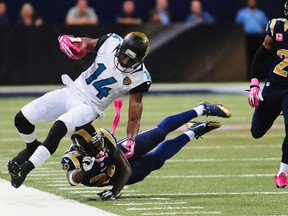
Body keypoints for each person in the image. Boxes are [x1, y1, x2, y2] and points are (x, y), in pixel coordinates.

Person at [7, 31, 151, 189]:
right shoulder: (111, 42)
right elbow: (86, 43)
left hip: (91, 106)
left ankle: (25, 169)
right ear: (120, 47)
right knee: (22, 118)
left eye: (130, 59)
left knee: (58, 129)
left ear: (139, 60)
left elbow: (134, 114)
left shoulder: (140, 77)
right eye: (123, 54)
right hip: (72, 90)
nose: (123, 60)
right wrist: (72, 41)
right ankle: (32, 147)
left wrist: (131, 139)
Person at [61, 102, 231, 200]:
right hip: (120, 177)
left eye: (99, 142)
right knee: (157, 159)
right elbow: (72, 180)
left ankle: (201, 109)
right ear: (82, 148)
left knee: (158, 133)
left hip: (123, 159)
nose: (99, 146)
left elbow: (125, 166)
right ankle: (193, 131)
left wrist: (114, 193)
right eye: (94, 145)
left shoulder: (104, 138)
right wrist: (83, 169)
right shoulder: (72, 159)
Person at [247, 1, 288, 188]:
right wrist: (255, 84)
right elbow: (260, 56)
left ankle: (282, 173)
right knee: (257, 132)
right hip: (273, 86)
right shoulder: (277, 27)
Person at [235, 0, 268, 79]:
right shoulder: (242, 13)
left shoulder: (260, 13)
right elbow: (237, 26)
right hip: (246, 38)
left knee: (259, 56)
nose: (252, 2)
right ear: (247, 2)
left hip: (258, 38)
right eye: (250, 1)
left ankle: (260, 76)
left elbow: (265, 25)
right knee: (248, 57)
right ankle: (249, 76)